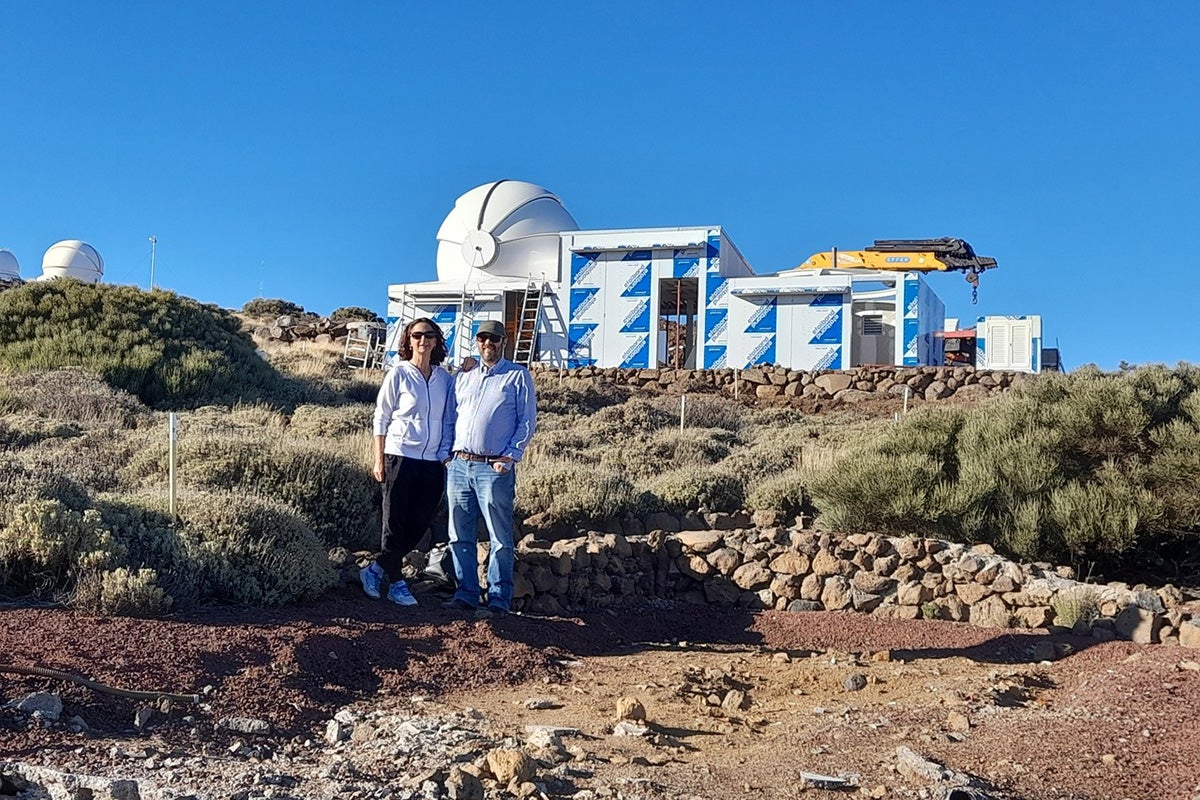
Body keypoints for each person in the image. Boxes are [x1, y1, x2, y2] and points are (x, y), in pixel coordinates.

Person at [443, 319, 537, 618]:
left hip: (493, 468)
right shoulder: (464, 376)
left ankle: (498, 597)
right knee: (459, 533)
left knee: (499, 536)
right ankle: (466, 593)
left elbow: (526, 421)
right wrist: (448, 455)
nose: (488, 344)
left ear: (503, 342)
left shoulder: (517, 376)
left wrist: (510, 455)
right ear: (477, 341)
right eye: (482, 338)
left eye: (493, 339)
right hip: (460, 465)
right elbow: (450, 416)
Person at [360, 317, 455, 606]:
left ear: (437, 340)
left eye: (428, 335)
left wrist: (444, 453)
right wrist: (379, 459)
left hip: (431, 461)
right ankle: (398, 583)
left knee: (419, 523)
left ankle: (375, 569)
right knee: (394, 522)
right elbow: (381, 417)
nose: (422, 340)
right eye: (416, 335)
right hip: (399, 455)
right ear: (408, 341)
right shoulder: (399, 373)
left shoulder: (445, 379)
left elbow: (449, 418)